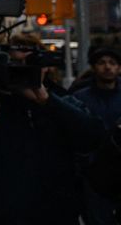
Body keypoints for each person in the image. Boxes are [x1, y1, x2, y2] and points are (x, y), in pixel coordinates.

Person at [0, 74, 105, 224]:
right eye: (17, 64)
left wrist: (48, 102)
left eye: (31, 65)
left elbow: (92, 138)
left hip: (55, 213)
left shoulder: (61, 98)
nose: (23, 71)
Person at [72, 47, 121, 225]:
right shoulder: (80, 98)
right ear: (93, 67)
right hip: (93, 171)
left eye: (112, 63)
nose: (107, 67)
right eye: (102, 63)